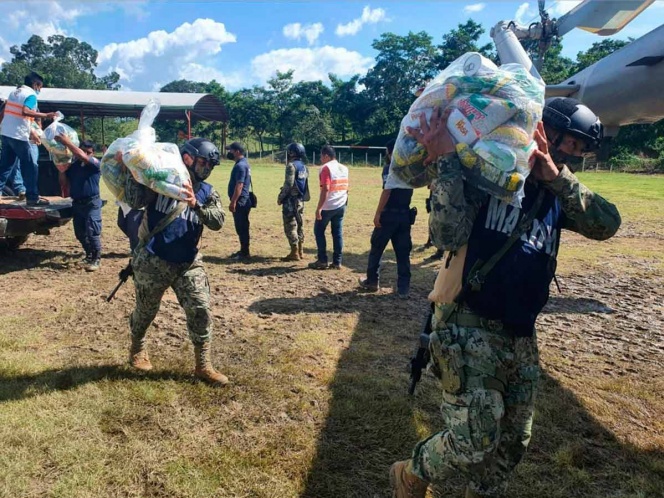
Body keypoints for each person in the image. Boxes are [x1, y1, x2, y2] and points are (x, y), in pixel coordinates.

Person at [390, 98, 621, 498]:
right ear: (544, 131)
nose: (576, 155)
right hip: (468, 321)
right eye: (572, 144)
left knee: (514, 441)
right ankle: (411, 473)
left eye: (583, 150)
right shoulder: (490, 172)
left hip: (521, 332)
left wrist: (557, 177)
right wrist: (445, 159)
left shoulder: (556, 191)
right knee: (474, 440)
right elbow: (446, 236)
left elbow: (606, 224)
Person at [122, 137, 228, 385]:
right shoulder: (161, 182)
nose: (207, 169)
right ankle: (137, 348)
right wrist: (130, 169)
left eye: (210, 165)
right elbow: (134, 200)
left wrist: (196, 204)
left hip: (188, 264)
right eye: (203, 162)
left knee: (201, 309)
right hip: (153, 261)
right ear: (188, 158)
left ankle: (203, 366)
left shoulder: (208, 192)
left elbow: (217, 221)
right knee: (146, 311)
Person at [358, 139, 413, 298]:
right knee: (403, 253)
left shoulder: (389, 168)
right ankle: (403, 288)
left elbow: (387, 191)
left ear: (390, 152)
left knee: (376, 248)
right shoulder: (410, 169)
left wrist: (378, 213)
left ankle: (372, 281)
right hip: (404, 215)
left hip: (388, 214)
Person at [0, 72, 58, 206]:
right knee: (30, 167)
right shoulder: (30, 95)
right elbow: (25, 111)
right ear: (35, 84)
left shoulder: (14, 93)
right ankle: (32, 197)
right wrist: (45, 115)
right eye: (40, 87)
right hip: (19, 135)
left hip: (6, 134)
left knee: (5, 166)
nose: (40, 90)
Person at [55, 135, 103, 271]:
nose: (86, 154)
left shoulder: (95, 164)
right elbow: (63, 182)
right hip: (77, 203)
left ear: (92, 153)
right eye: (84, 151)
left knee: (92, 230)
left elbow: (82, 156)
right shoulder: (74, 166)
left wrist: (66, 142)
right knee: (80, 233)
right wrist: (61, 170)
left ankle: (96, 258)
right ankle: (89, 254)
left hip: (91, 202)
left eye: (89, 152)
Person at [308, 145, 349, 270]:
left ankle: (322, 260)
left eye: (321, 156)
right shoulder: (344, 168)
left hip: (328, 205)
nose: (320, 158)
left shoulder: (326, 168)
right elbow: (346, 186)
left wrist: (319, 207)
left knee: (319, 231)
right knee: (337, 233)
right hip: (341, 204)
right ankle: (337, 261)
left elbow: (326, 188)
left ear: (326, 156)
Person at [278, 142, 309, 261]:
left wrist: (281, 197)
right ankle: (301, 250)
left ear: (291, 153)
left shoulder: (291, 166)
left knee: (290, 225)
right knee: (300, 225)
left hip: (291, 200)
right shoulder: (304, 166)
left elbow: (288, 184)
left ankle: (294, 252)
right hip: (301, 200)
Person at [226, 141, 252, 260]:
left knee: (241, 227)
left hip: (240, 201)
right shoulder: (244, 163)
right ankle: (243, 250)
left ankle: (244, 252)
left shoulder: (240, 166)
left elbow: (239, 185)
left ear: (237, 151)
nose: (229, 152)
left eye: (230, 150)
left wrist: (233, 202)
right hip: (243, 200)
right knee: (242, 226)